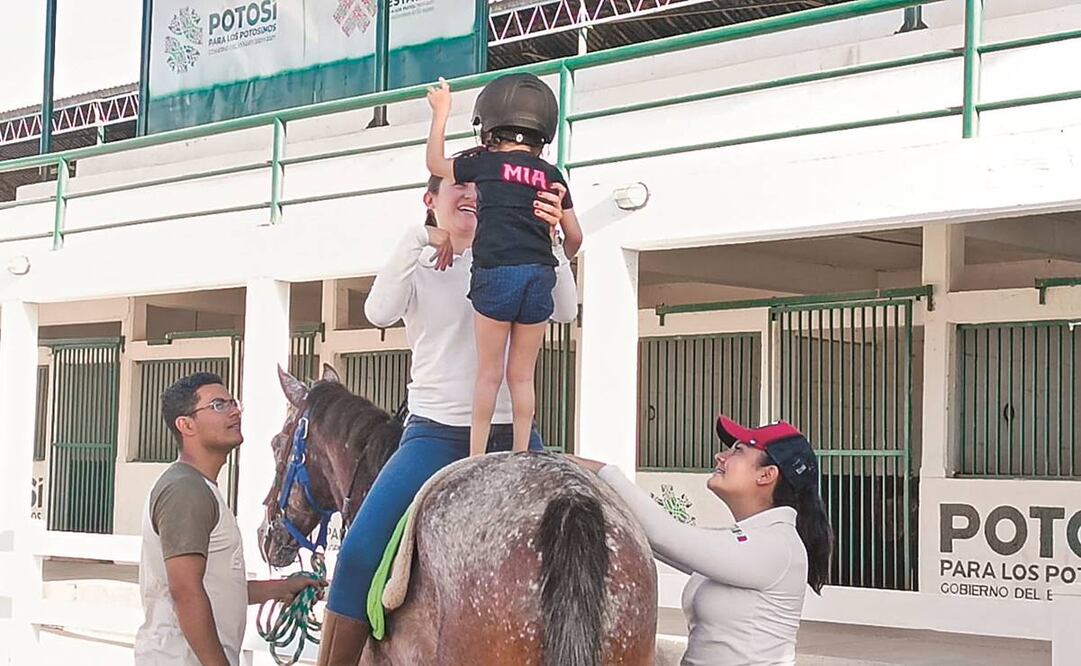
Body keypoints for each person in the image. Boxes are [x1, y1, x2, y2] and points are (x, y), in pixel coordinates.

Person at [316, 174, 575, 665]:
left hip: (513, 438)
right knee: (357, 554)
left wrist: (550, 239)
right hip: (434, 438)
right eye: (458, 186)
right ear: (429, 199)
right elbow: (377, 312)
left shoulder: (518, 254)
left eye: (482, 189)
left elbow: (564, 309)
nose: (472, 196)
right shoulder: (416, 264)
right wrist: (419, 238)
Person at [569, 416, 834, 666]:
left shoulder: (778, 546)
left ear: (766, 475)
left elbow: (664, 535)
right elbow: (655, 541)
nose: (721, 456)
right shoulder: (752, 538)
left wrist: (604, 472)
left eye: (738, 451)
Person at [425, 73, 584, 457]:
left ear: (490, 122)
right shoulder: (551, 175)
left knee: (489, 374)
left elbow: (434, 162)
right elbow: (575, 239)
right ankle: (520, 454)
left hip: (497, 275)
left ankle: (476, 458)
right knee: (522, 376)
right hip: (539, 275)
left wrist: (441, 111)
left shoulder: (483, 163)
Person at [135, 372, 323, 666]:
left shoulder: (199, 487)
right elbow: (186, 591)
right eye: (218, 405)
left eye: (233, 402)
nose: (235, 410)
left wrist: (282, 589)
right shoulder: (186, 489)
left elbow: (217, 587)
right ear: (186, 425)